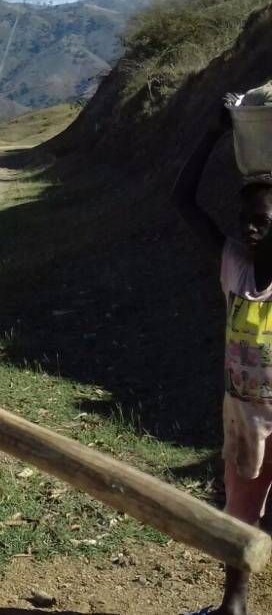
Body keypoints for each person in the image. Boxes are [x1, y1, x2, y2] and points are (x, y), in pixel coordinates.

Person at [174, 91, 272, 615]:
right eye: (245, 217)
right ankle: (233, 607)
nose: (248, 227)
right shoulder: (235, 265)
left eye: (262, 220)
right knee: (240, 515)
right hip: (244, 417)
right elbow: (183, 201)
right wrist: (213, 132)